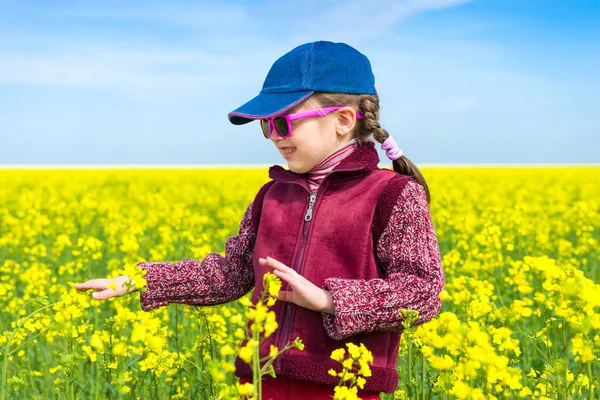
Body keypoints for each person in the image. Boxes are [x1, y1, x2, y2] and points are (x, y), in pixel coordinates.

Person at [75, 40, 445, 399]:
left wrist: (328, 299)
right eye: (266, 126)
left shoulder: (392, 194)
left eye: (282, 123)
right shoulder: (271, 195)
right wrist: (141, 280)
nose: (272, 137)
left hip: (344, 385)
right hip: (261, 376)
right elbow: (233, 273)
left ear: (343, 120)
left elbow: (424, 290)